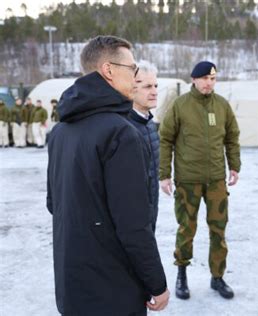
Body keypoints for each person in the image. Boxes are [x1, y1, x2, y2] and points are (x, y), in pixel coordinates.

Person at [46, 35, 169, 315]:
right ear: (109, 70)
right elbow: (133, 226)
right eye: (132, 69)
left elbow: (55, 204)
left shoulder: (60, 132)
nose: (135, 76)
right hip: (114, 291)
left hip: (71, 285)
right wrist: (157, 283)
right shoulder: (120, 133)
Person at [159, 61, 241, 300]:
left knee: (219, 230)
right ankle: (182, 274)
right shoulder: (180, 105)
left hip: (216, 180)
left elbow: (232, 138)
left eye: (213, 79)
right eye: (204, 78)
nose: (209, 83)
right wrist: (165, 174)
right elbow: (165, 140)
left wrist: (234, 165)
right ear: (193, 79)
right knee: (187, 228)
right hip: (187, 181)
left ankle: (217, 277)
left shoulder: (222, 106)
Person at [128, 60, 160, 232]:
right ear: (132, 88)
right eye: (148, 87)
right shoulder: (124, 127)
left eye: (156, 85)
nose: (155, 92)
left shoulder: (149, 123)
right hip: (133, 219)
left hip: (150, 210)